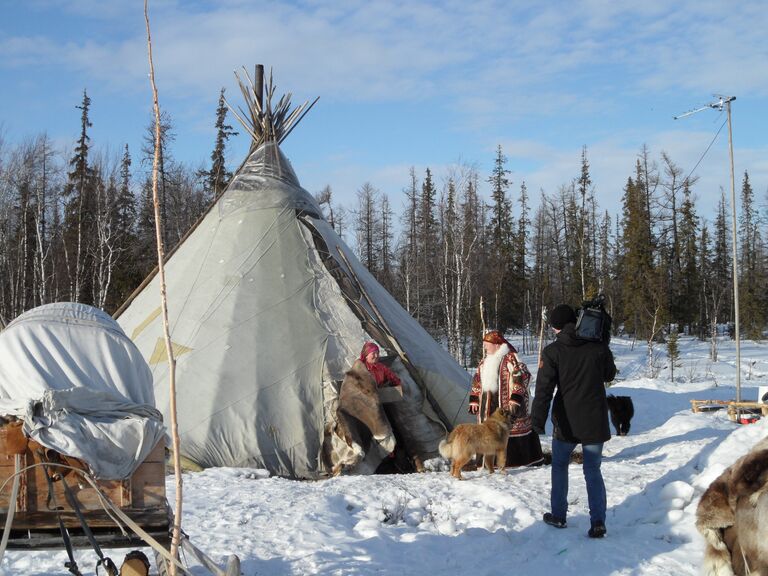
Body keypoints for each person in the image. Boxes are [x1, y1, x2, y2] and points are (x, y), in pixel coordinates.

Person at [531, 303, 617, 538]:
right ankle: (598, 522)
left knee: (559, 467)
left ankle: (558, 516)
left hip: (566, 422)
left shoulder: (553, 352)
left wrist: (536, 423)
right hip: (594, 421)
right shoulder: (597, 346)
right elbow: (609, 374)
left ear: (556, 327)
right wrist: (604, 345)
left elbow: (544, 391)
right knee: (592, 470)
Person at [468, 330, 544, 467]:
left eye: (487, 344)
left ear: (497, 345)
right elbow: (477, 381)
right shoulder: (484, 361)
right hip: (487, 405)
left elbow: (522, 376)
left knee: (507, 432)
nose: (484, 347)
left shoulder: (510, 358)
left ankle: (511, 463)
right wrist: (474, 399)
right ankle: (488, 464)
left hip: (507, 407)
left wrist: (515, 398)